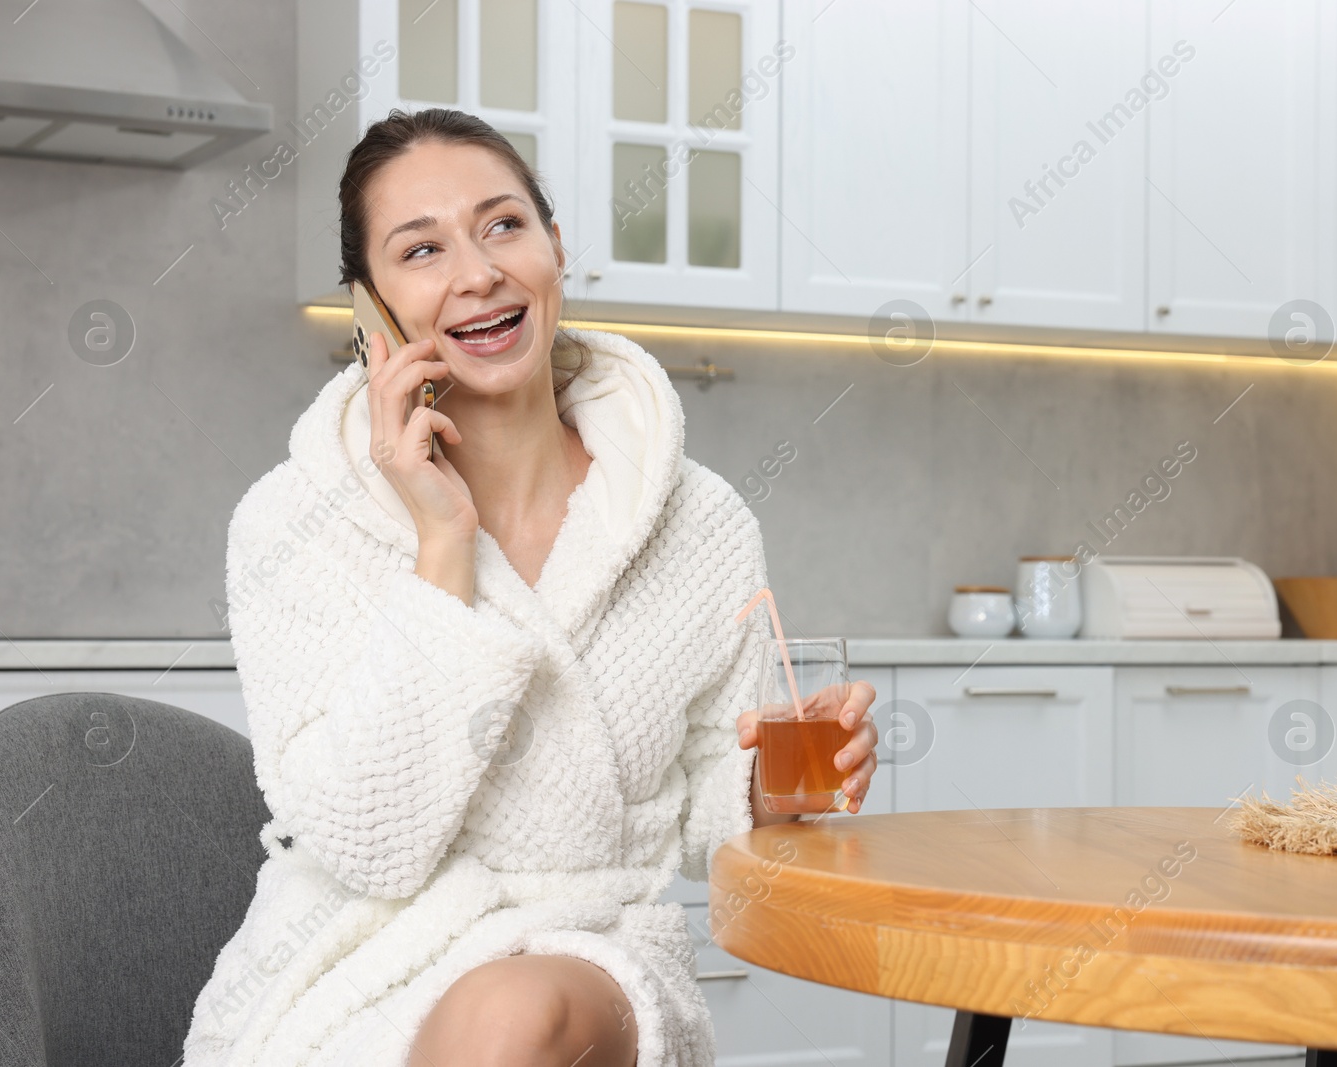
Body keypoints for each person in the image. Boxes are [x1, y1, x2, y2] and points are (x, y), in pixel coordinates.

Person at [182, 106, 878, 1067]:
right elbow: (367, 848)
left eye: (504, 225)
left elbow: (704, 810)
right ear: (370, 305)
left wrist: (776, 786)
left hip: (589, 952)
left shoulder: (698, 519)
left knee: (513, 1015)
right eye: (420, 250)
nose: (477, 273)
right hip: (359, 964)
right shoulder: (296, 519)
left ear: (555, 246)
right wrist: (442, 542)